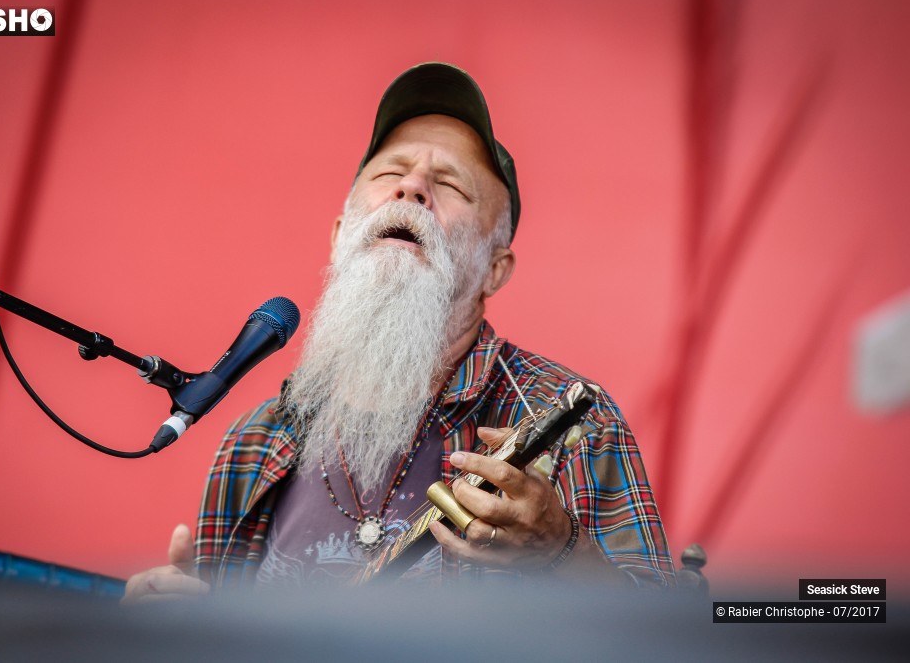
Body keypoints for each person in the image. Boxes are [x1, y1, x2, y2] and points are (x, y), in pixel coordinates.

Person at [123, 63, 674, 602]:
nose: (412, 187)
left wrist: (562, 551)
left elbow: (671, 635)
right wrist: (179, 630)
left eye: (451, 184)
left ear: (494, 269)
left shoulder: (568, 417)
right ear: (340, 234)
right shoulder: (254, 441)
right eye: (390, 173)